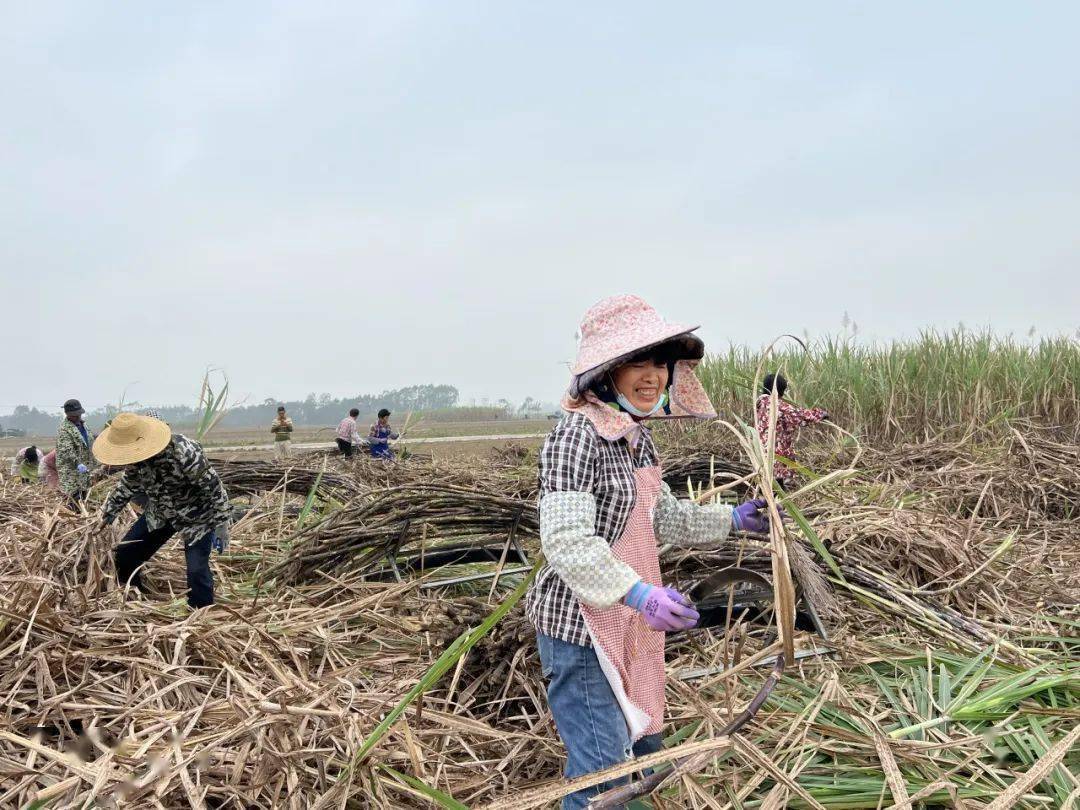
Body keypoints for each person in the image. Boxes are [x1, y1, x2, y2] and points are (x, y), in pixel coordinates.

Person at [524, 294, 773, 809]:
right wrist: (639, 594)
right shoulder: (577, 437)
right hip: (583, 628)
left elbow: (665, 517)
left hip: (631, 619)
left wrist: (731, 519)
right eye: (637, 361)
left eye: (659, 362)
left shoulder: (637, 439)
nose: (652, 375)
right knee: (604, 776)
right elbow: (567, 542)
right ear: (605, 373)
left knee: (642, 751)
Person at [93, 412, 232, 610]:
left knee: (196, 570)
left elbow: (213, 487)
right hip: (161, 513)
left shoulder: (184, 451)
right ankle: (134, 599)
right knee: (126, 553)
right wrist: (107, 515)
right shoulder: (135, 460)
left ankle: (201, 614)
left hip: (196, 515)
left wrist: (222, 523)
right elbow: (126, 487)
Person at [755, 372, 828, 490]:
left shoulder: (760, 403)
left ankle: (773, 493)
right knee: (776, 474)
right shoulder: (775, 403)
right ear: (778, 389)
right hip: (775, 447)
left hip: (762, 446)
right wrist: (820, 414)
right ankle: (775, 500)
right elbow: (800, 416)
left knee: (770, 475)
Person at [56, 399, 95, 506]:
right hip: (72, 473)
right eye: (74, 415)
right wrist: (78, 464)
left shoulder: (84, 425)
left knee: (86, 497)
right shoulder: (64, 430)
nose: (78, 417)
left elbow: (89, 442)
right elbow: (67, 451)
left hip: (86, 470)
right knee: (74, 500)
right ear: (67, 415)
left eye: (79, 414)